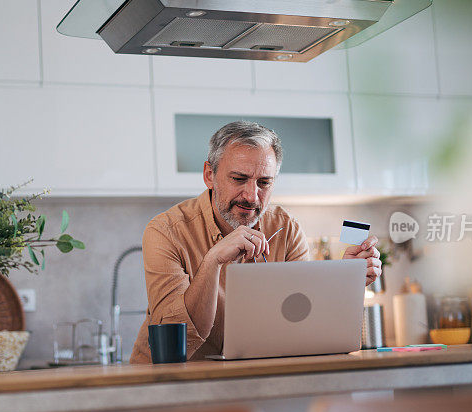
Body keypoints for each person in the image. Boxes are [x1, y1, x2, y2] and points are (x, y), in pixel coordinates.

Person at [129, 121, 381, 363]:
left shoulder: (286, 228)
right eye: (238, 179)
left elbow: (304, 326)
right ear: (209, 175)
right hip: (174, 383)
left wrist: (345, 280)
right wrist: (213, 261)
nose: (251, 196)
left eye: (264, 182)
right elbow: (174, 339)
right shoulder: (165, 231)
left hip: (251, 378)